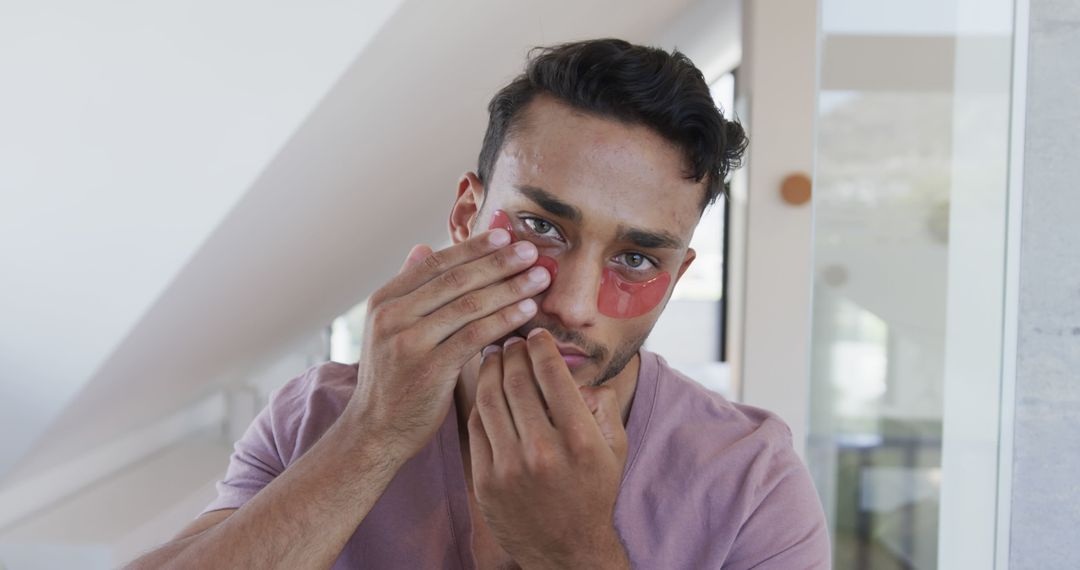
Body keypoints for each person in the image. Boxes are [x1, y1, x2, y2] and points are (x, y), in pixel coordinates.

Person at [128, 38, 829, 569]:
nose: (573, 304)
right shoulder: (320, 418)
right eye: (541, 228)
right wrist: (372, 437)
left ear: (677, 276)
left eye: (637, 258)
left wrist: (574, 551)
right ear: (467, 214)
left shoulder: (748, 481)